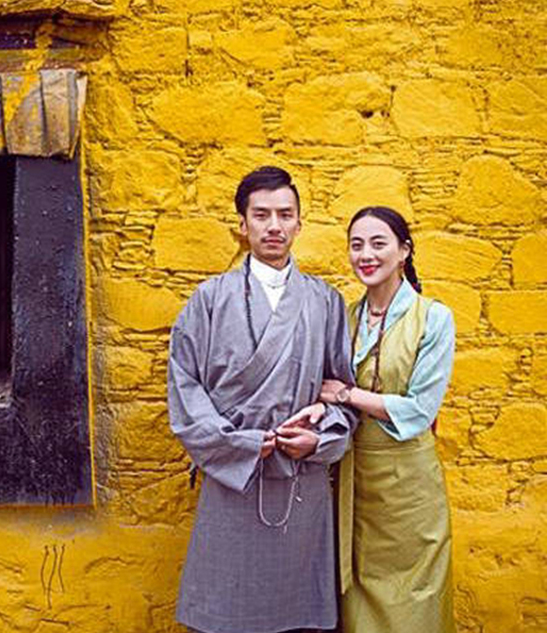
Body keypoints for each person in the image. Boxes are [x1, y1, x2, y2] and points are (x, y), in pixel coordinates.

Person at [167, 165, 357, 633]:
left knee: (299, 614)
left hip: (300, 477)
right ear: (243, 224)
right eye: (262, 215)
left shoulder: (325, 301)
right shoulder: (209, 299)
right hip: (233, 471)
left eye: (285, 215)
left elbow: (342, 391)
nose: (274, 226)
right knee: (225, 610)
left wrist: (320, 439)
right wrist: (239, 442)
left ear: (299, 224)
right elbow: (184, 385)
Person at [290, 206, 456, 632]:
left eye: (378, 243)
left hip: (410, 487)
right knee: (356, 588)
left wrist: (347, 394)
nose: (366, 254)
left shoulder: (433, 318)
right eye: (356, 244)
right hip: (352, 480)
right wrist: (321, 408)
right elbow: (330, 391)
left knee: (414, 597)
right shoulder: (346, 317)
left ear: (404, 251)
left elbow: (420, 409)